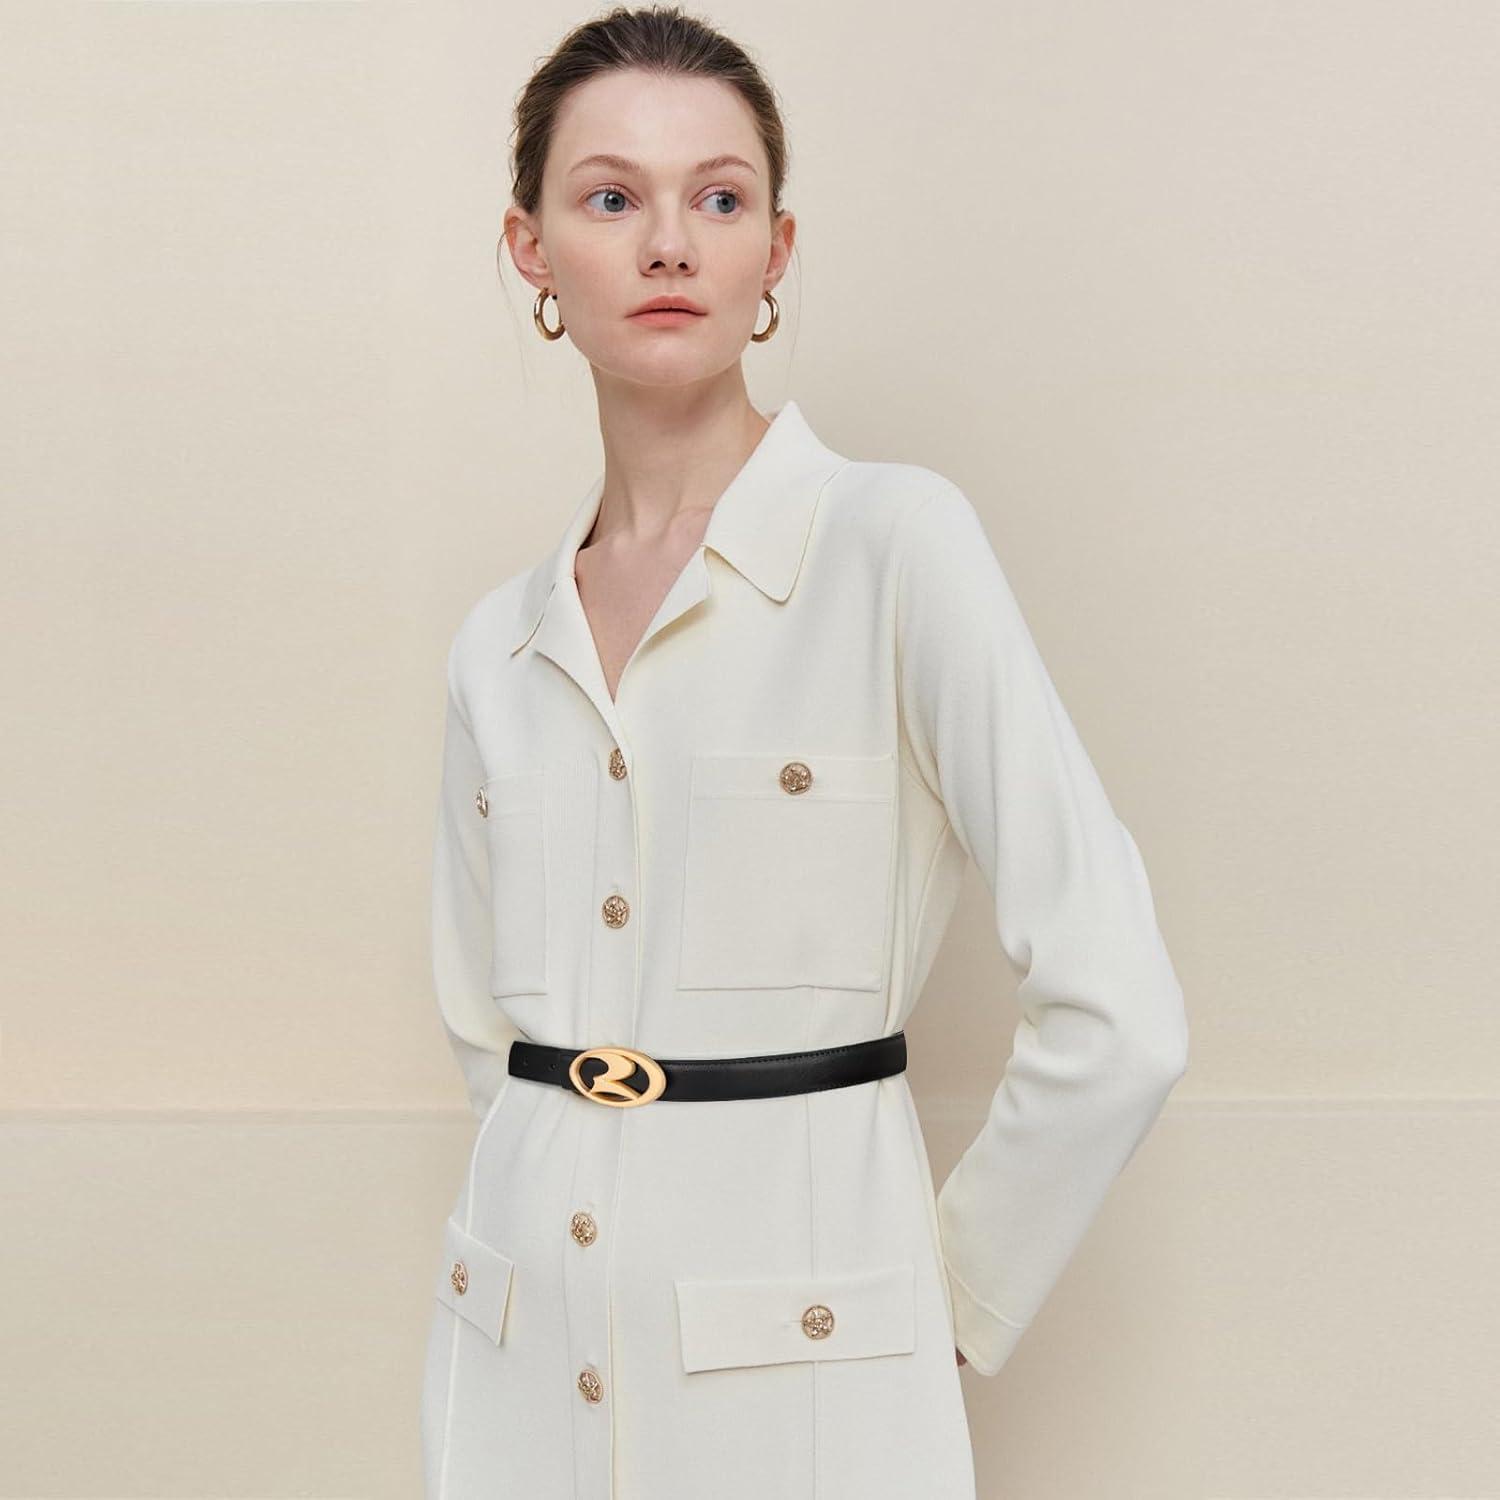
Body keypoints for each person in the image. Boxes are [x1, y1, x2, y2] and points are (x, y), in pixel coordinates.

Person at [420, 7, 1189, 1498]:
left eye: (718, 199)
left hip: (808, 1388)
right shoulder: (495, 648)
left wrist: (937, 1310)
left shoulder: (897, 548)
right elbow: (485, 1044)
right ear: (530, 250)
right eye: (610, 197)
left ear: (776, 250)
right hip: (511, 1364)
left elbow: (1123, 1012)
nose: (669, 245)